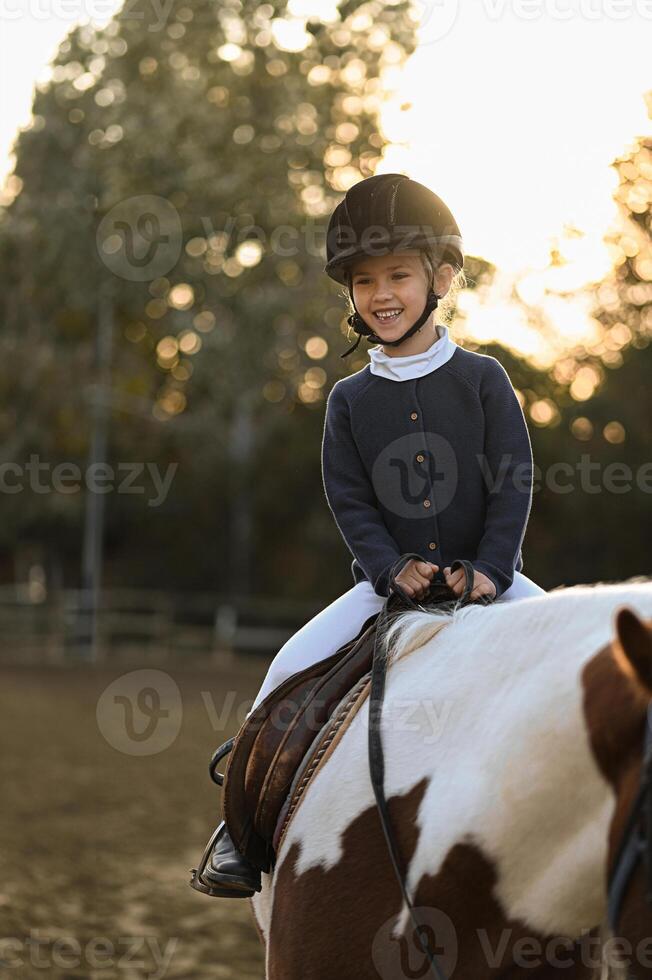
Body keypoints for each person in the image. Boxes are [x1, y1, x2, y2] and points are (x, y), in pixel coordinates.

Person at [192, 173, 545, 899]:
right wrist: (389, 570)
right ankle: (240, 829)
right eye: (364, 281)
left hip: (493, 582)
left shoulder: (484, 380)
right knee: (285, 668)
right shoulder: (348, 401)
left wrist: (492, 572)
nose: (381, 295)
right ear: (348, 295)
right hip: (384, 589)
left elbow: (513, 481)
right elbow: (349, 500)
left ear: (440, 277)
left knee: (579, 655)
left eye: (398, 276)